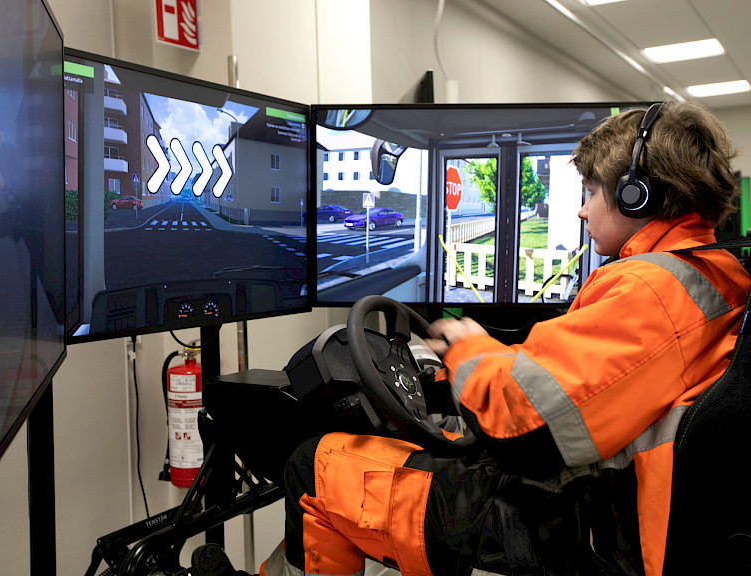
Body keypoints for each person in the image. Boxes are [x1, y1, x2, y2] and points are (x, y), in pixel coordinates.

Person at [201, 101, 751, 576]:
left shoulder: (653, 289)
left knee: (313, 465)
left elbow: (527, 429)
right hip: (610, 502)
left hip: (574, 525)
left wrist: (466, 349)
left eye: (590, 191)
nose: (582, 209)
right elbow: (579, 378)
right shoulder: (709, 273)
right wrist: (474, 365)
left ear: (637, 195)